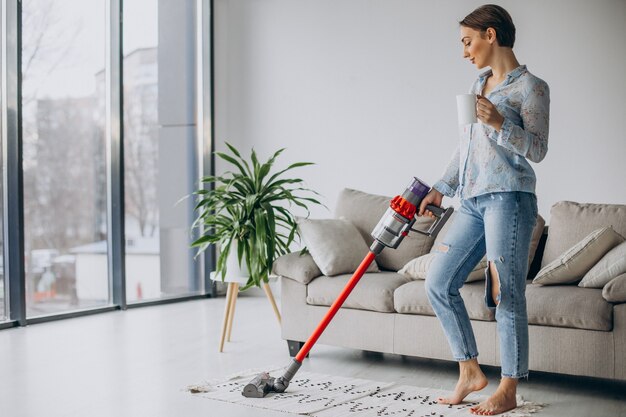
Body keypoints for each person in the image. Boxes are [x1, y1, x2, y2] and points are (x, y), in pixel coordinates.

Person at [419, 4, 550, 416]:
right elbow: (467, 145)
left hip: (509, 199)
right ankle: (469, 371)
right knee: (438, 281)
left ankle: (509, 387)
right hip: (472, 200)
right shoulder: (477, 83)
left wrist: (500, 124)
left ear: (490, 35)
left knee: (506, 294)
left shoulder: (532, 88)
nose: (464, 51)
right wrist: (441, 188)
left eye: (467, 41)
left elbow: (539, 150)